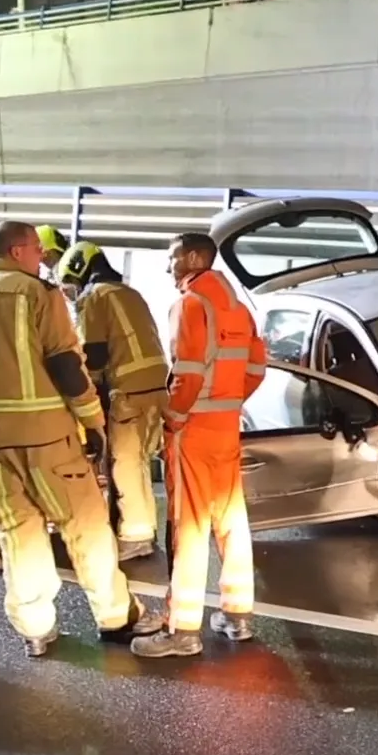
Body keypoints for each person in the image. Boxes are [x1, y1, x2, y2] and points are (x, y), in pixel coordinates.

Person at [0, 220, 163, 657]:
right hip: (47, 435)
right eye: (38, 251)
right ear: (19, 251)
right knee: (87, 526)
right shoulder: (39, 294)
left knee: (18, 535)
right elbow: (65, 364)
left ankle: (36, 628)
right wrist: (93, 421)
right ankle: (117, 617)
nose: (44, 259)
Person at [130, 232, 268, 658]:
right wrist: (227, 403)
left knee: (187, 526)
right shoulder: (239, 308)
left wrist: (173, 419)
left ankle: (182, 629)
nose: (168, 266)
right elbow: (257, 369)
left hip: (194, 427)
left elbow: (186, 374)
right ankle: (237, 614)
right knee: (231, 519)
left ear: (193, 258)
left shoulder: (190, 304)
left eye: (172, 258)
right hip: (226, 424)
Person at [58, 239, 171, 559]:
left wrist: (84, 396)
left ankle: (135, 535)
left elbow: (93, 353)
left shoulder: (94, 297)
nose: (73, 290)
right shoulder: (129, 292)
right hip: (159, 386)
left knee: (124, 464)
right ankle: (143, 530)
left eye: (71, 283)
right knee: (140, 462)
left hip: (128, 389)